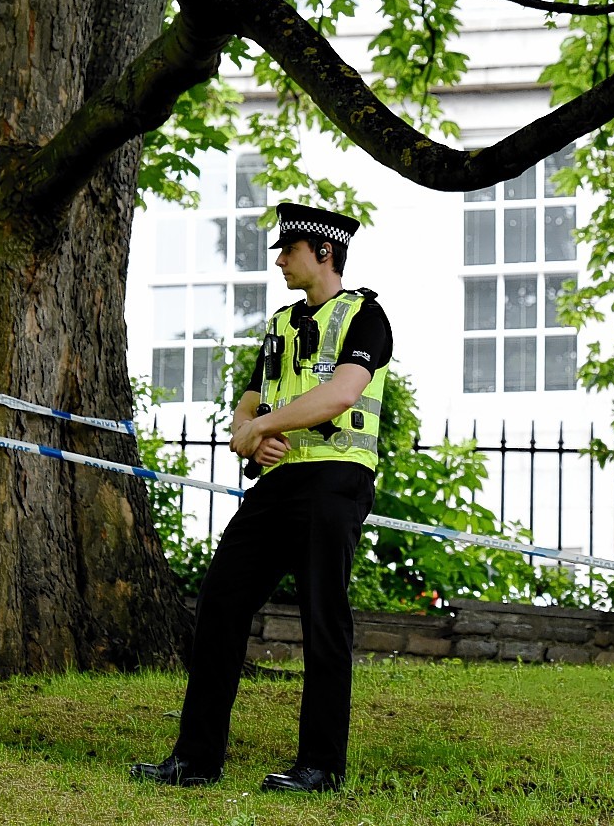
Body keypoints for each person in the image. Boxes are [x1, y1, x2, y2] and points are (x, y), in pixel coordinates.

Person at [130, 201, 393, 794]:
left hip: (335, 481)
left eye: (289, 251)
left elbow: (341, 395)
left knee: (323, 618)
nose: (278, 260)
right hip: (277, 485)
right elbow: (248, 404)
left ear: (324, 254)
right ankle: (196, 759)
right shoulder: (279, 325)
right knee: (220, 603)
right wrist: (248, 435)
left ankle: (320, 767)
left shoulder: (366, 317)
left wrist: (261, 430)